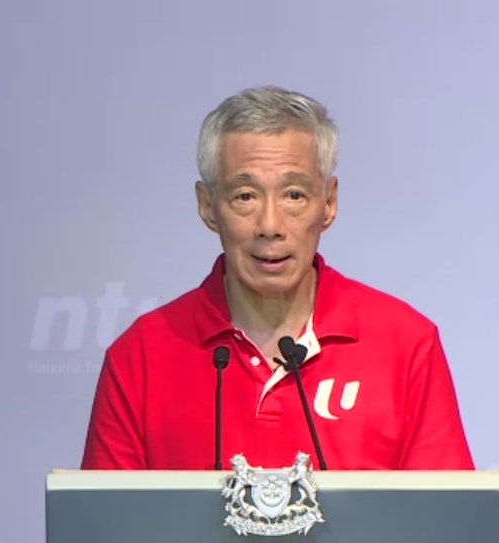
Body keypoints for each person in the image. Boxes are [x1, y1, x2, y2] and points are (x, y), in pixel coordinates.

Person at [81, 85, 474, 471]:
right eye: (245, 196)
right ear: (208, 207)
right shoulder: (140, 356)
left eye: (294, 196)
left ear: (329, 203)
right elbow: (105, 528)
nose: (270, 225)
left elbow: (445, 524)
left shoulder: (405, 345)